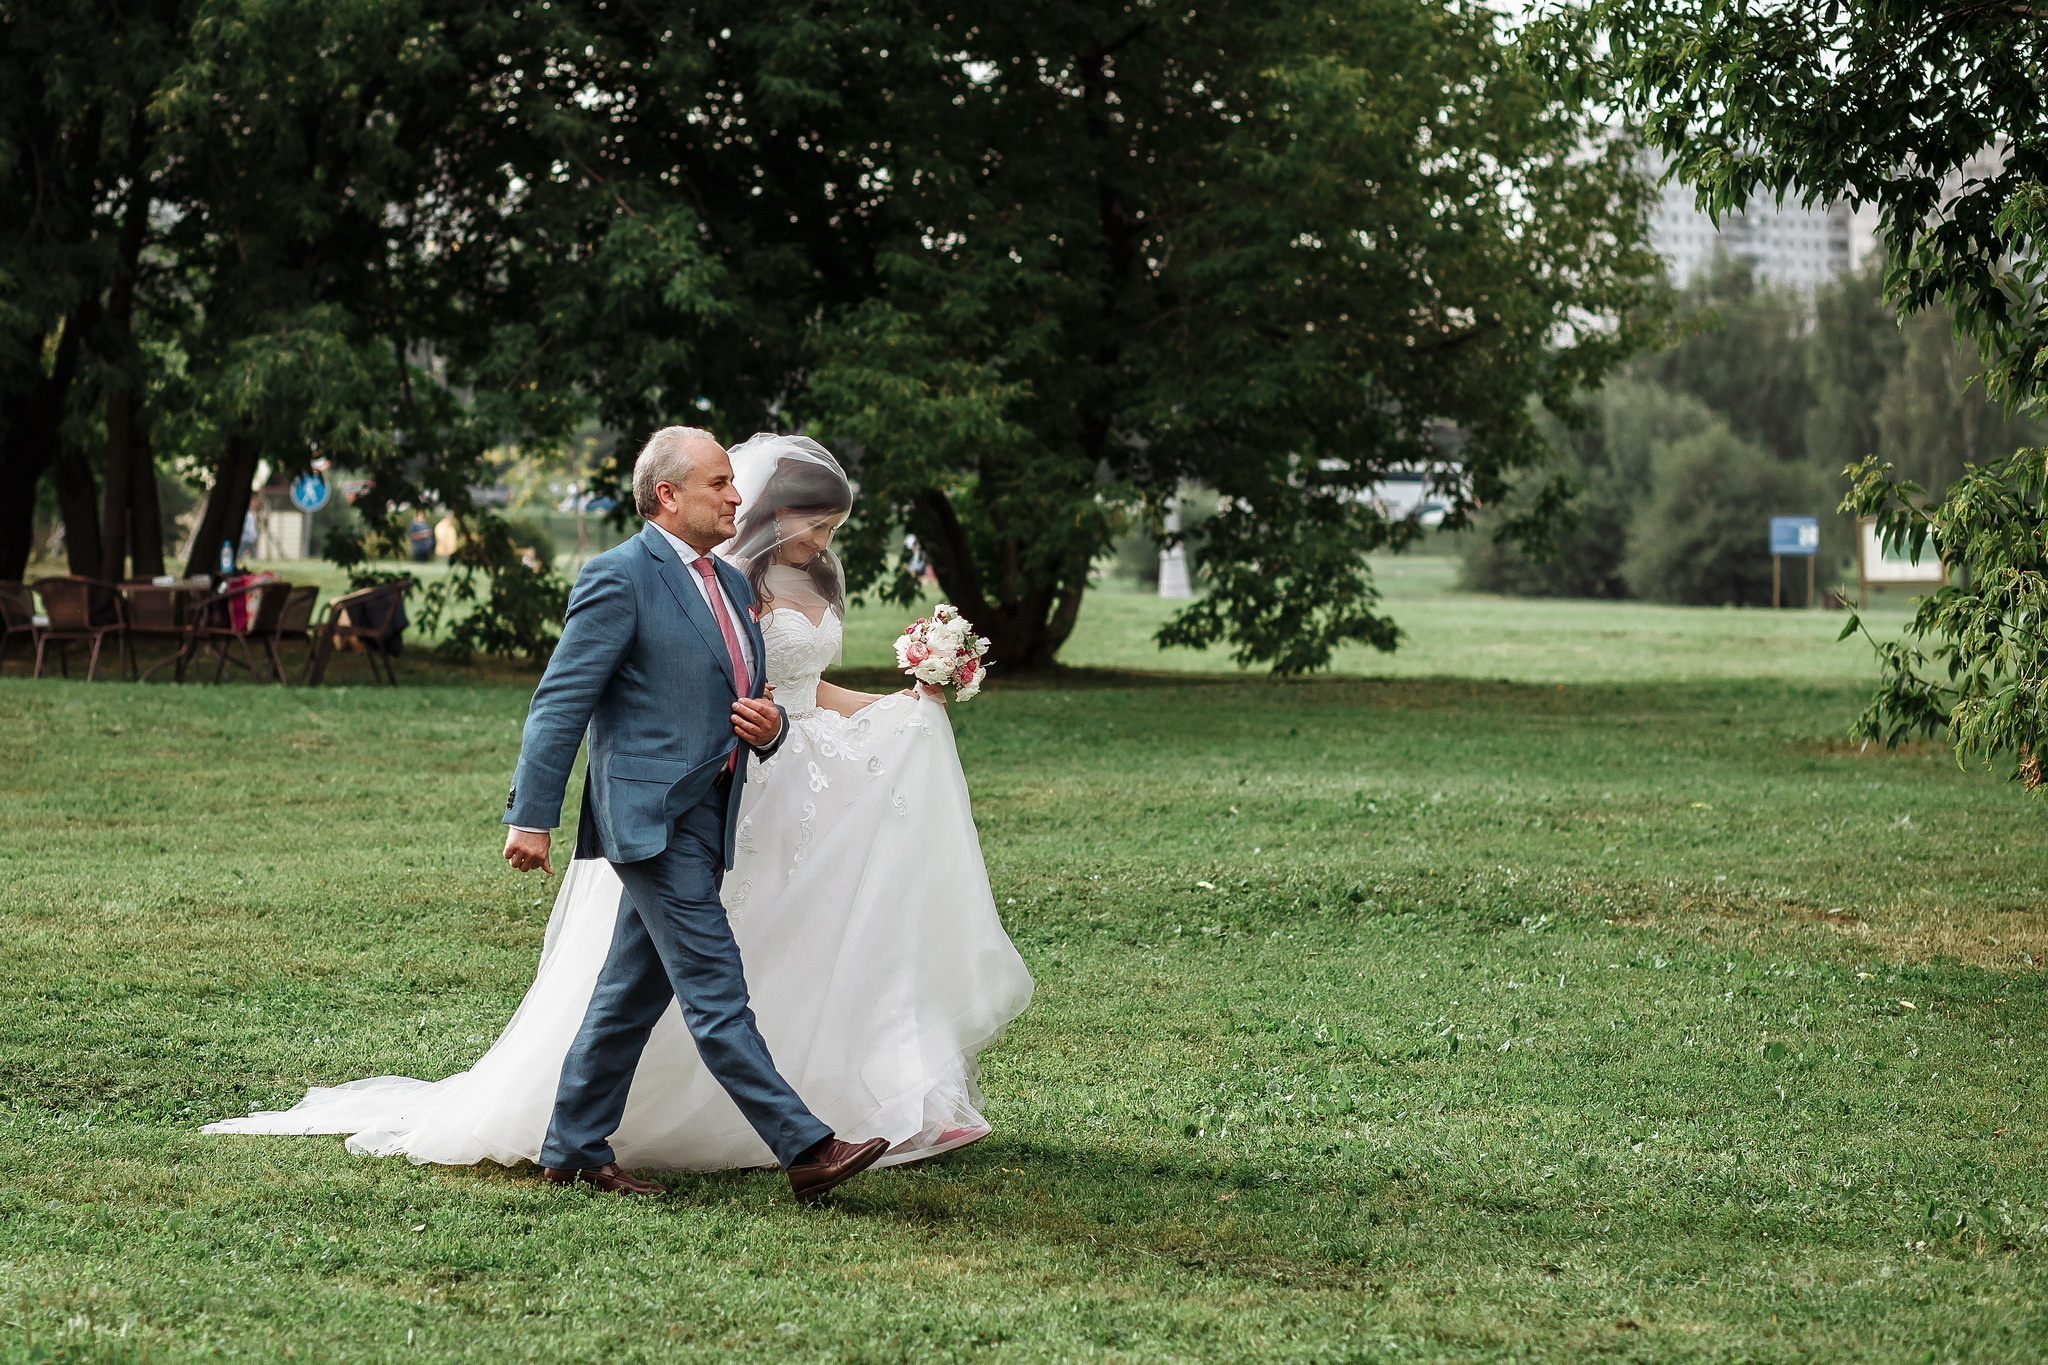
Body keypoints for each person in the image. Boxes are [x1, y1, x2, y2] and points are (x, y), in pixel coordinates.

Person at [203, 430, 1032, 1200]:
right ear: (667, 495)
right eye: (717, 484)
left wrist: (773, 729)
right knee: (715, 990)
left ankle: (572, 1145)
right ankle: (807, 1147)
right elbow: (560, 703)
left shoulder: (728, 587)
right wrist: (530, 817)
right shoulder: (618, 576)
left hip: (716, 812)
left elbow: (759, 700)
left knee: (629, 994)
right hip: (648, 819)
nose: (734, 497)